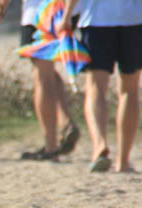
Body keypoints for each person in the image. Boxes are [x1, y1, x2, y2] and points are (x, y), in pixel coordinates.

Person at [0, 0, 81, 160]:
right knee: (48, 71)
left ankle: (51, 147)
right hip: (67, 12)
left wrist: (0, 8)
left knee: (42, 77)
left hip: (38, 13)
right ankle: (65, 121)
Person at [56, 0, 142, 173]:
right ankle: (123, 161)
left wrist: (66, 17)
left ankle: (99, 145)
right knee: (129, 91)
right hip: (134, 20)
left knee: (96, 88)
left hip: (97, 21)